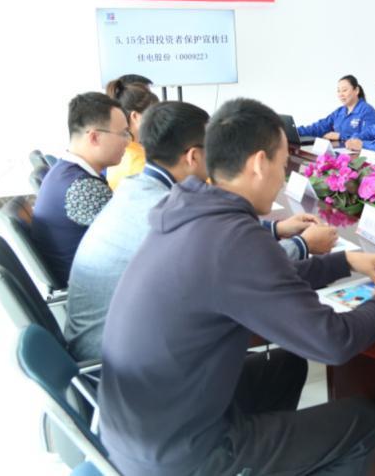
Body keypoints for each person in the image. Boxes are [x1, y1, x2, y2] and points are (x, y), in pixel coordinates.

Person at [99, 98, 375, 476]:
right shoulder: (233, 238)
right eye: (283, 165)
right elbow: (332, 342)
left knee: (287, 365)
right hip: (178, 454)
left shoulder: (191, 208)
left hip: (141, 424)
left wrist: (344, 261)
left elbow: (265, 280)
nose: (283, 178)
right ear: (258, 163)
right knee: (362, 423)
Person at [64, 102, 338, 360]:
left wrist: (276, 228)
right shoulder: (162, 210)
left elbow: (215, 237)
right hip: (114, 359)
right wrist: (303, 245)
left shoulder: (137, 187)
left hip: (113, 340)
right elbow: (242, 265)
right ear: (193, 156)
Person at [31, 92, 128, 287]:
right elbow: (130, 241)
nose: (128, 141)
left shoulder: (65, 172)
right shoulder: (83, 187)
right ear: (94, 137)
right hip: (96, 291)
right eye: (123, 134)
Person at [104, 79, 159, 190]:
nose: (159, 119)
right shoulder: (141, 162)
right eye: (154, 113)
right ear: (135, 116)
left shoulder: (118, 152)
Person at [297, 74, 375, 142]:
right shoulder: (339, 112)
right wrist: (296, 131)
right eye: (338, 91)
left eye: (344, 90)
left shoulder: (368, 112)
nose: (341, 94)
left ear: (356, 90)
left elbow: (369, 137)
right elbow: (319, 127)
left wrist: (340, 136)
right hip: (339, 152)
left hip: (358, 155)